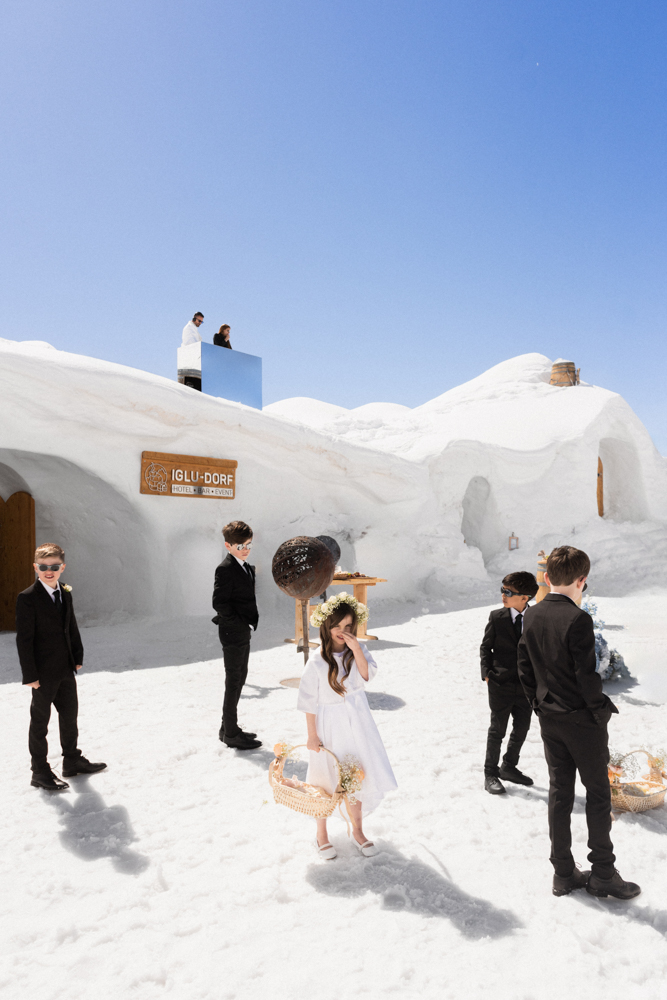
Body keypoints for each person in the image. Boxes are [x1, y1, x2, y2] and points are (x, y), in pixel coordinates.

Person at [517, 546, 640, 899]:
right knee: (598, 795)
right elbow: (586, 677)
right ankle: (603, 874)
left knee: (560, 793)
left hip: (550, 719)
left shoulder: (531, 614)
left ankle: (563, 872)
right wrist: (600, 710)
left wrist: (538, 705)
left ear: (546, 577)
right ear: (582, 580)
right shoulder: (578, 619)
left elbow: (524, 667)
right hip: (581, 721)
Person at [297, 595, 397, 860]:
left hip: (357, 721)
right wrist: (312, 735)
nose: (343, 631)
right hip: (329, 724)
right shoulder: (317, 661)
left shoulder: (357, 651)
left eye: (348, 626)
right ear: (327, 627)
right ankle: (321, 834)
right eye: (337, 626)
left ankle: (357, 830)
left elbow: (367, 675)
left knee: (355, 773)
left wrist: (357, 649)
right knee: (324, 777)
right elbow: (308, 701)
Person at [16, 544, 107, 791]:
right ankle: (39, 771)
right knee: (40, 721)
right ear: (35, 567)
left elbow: (71, 626)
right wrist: (30, 675)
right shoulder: (27, 598)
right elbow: (24, 640)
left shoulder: (65, 592)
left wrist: (76, 654)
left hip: (65, 667)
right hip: (42, 673)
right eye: (44, 567)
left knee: (69, 715)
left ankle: (72, 759)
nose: (49, 571)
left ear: (62, 567)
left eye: (54, 567)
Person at [480, 571, 539, 795]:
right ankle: (490, 773)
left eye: (508, 592)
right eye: (502, 590)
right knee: (497, 730)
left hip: (526, 686)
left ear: (525, 597)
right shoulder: (497, 617)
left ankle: (509, 766)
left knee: (521, 728)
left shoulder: (537, 618)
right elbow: (486, 647)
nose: (503, 595)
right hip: (500, 684)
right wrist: (487, 673)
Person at [212, 521, 261, 750]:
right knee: (234, 680)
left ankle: (227, 728)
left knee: (240, 677)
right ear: (228, 546)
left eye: (249, 544)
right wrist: (239, 623)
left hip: (242, 630)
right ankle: (231, 733)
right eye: (240, 546)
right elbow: (219, 603)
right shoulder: (225, 568)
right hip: (232, 631)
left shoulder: (246, 567)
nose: (245, 549)